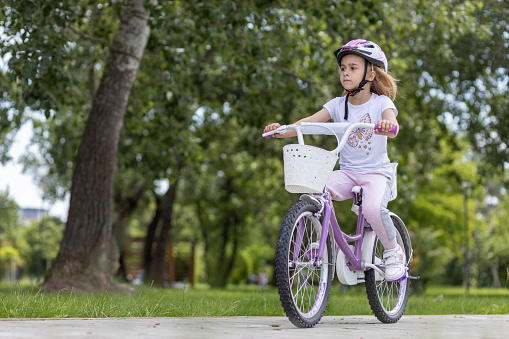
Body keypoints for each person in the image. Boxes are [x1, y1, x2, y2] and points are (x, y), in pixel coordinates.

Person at [264, 39, 405, 281]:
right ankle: (324, 240)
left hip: (376, 174)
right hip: (348, 173)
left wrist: (388, 125)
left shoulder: (382, 102)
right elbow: (307, 123)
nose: (346, 72)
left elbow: (392, 122)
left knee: (372, 209)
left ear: (370, 73)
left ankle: (394, 253)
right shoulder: (338, 105)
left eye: (353, 67)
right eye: (343, 68)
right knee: (315, 190)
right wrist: (283, 131)